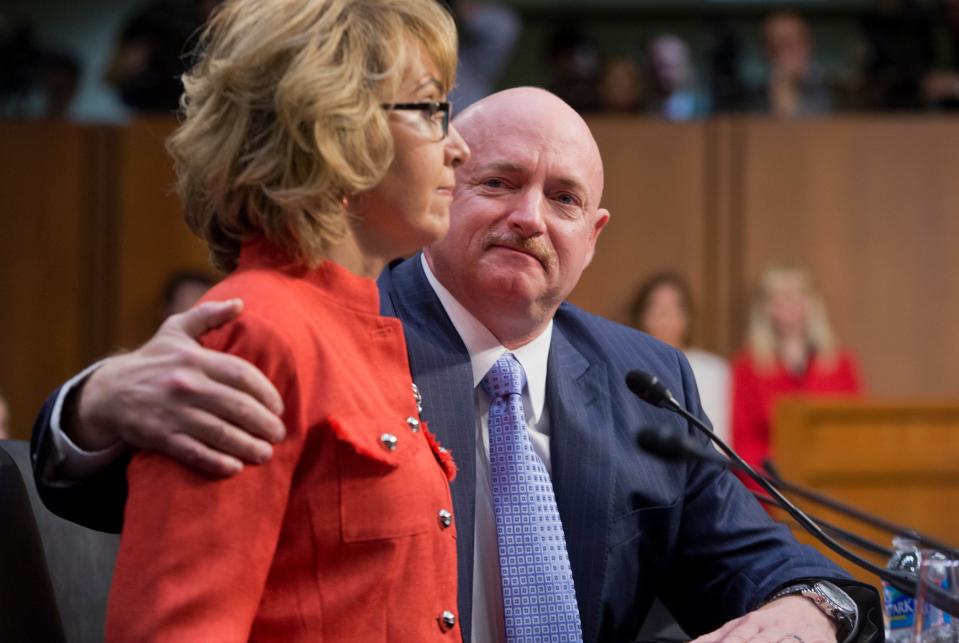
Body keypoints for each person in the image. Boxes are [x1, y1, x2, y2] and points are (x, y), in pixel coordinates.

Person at [32, 88, 883, 641]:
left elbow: (758, 560)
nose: (527, 217)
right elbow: (145, 510)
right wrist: (96, 403)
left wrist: (811, 610)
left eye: (562, 198)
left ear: (594, 234)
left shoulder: (643, 379)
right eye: (498, 182)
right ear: (444, 187)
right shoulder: (335, 330)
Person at [97, 0, 470, 639]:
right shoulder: (256, 331)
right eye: (432, 108)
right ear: (336, 128)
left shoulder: (356, 321)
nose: (458, 147)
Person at [731, 263, 862, 476]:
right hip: (772, 487)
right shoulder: (748, 366)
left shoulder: (840, 363)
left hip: (833, 480)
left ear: (813, 303)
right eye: (779, 298)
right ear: (764, 307)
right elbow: (744, 442)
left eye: (797, 296)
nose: (789, 305)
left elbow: (855, 429)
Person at [632, 272, 730, 445]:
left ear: (688, 316)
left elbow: (721, 438)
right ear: (641, 315)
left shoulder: (713, 369)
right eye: (655, 308)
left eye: (673, 308)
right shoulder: (629, 367)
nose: (664, 316)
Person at [755, 12, 832, 118]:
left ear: (808, 45)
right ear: (764, 50)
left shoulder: (831, 87)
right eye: (775, 45)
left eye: (791, 42)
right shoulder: (754, 94)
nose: (783, 52)